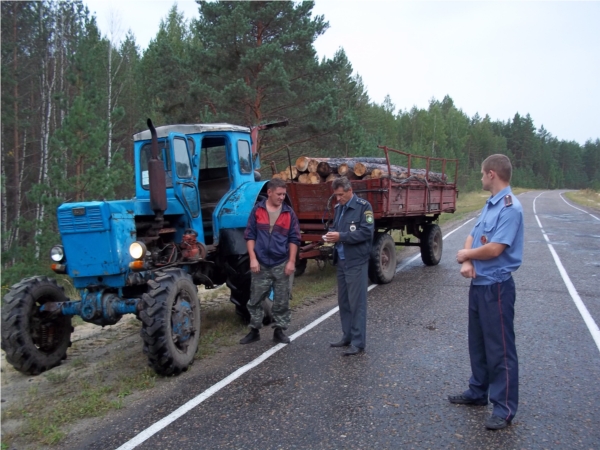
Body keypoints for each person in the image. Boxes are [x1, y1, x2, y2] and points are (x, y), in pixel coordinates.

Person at [449, 154, 524, 431]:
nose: (480, 177)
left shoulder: (510, 208)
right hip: (479, 285)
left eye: (482, 173)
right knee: (477, 343)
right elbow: (473, 234)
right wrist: (467, 259)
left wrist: (467, 254)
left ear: (492, 174)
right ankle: (478, 392)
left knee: (500, 350)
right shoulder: (490, 205)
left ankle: (504, 408)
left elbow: (495, 249)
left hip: (497, 288)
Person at [240, 178, 301, 345]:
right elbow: (250, 236)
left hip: (281, 262)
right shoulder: (257, 211)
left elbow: (294, 239)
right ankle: (254, 330)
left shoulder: (288, 214)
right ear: (270, 192)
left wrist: (291, 261)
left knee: (282, 299)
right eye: (279, 194)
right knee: (255, 299)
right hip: (261, 263)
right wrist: (253, 259)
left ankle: (279, 331)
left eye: (284, 194)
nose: (282, 197)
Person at [325, 177, 374, 356]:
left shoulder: (363, 207)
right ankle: (347, 336)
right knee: (344, 302)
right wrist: (332, 236)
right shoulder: (339, 209)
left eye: (340, 195)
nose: (338, 199)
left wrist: (341, 237)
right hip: (342, 261)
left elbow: (366, 232)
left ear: (349, 190)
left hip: (356, 261)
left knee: (357, 303)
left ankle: (358, 342)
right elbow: (339, 230)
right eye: (336, 195)